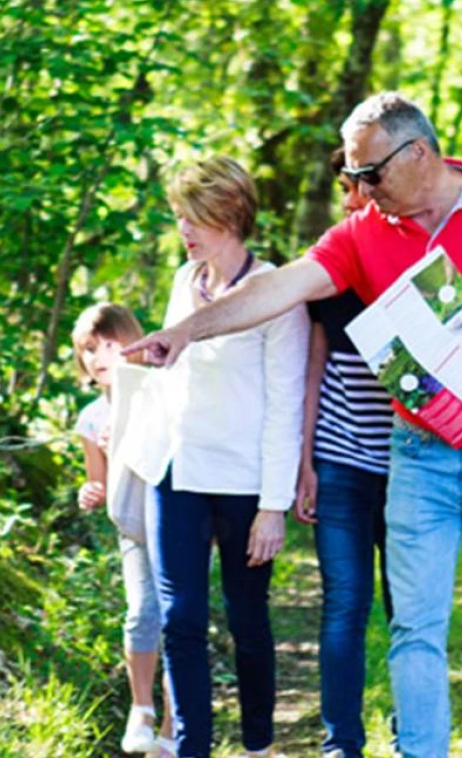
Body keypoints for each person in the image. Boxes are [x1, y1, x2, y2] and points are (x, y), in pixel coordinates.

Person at [125, 93, 462, 758]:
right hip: (421, 453)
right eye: (354, 177)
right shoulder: (363, 233)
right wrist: (184, 332)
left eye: (371, 174)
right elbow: (278, 288)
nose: (362, 191)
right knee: (415, 625)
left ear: (421, 154)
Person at [146, 157, 309, 758]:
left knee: (247, 622)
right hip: (178, 473)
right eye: (180, 217)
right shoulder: (181, 282)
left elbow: (285, 403)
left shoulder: (275, 294)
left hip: (244, 483)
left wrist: (274, 507)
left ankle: (259, 746)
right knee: (180, 620)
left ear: (230, 215)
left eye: (195, 217)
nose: (184, 229)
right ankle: (193, 746)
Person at [295, 153, 395, 758]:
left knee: (408, 610)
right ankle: (342, 745)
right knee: (345, 604)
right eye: (344, 189)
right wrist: (303, 462)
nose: (350, 201)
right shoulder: (327, 269)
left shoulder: (418, 265)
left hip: (412, 465)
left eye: (359, 188)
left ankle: (416, 737)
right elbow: (312, 367)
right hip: (340, 459)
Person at [72, 303, 173, 755]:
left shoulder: (159, 393)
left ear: (132, 344)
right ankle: (142, 707)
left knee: (180, 620)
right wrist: (89, 492)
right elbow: (98, 481)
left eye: (111, 345)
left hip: (175, 521)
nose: (100, 357)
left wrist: (134, 438)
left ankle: (175, 724)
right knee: (140, 613)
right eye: (90, 349)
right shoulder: (92, 418)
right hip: (131, 527)